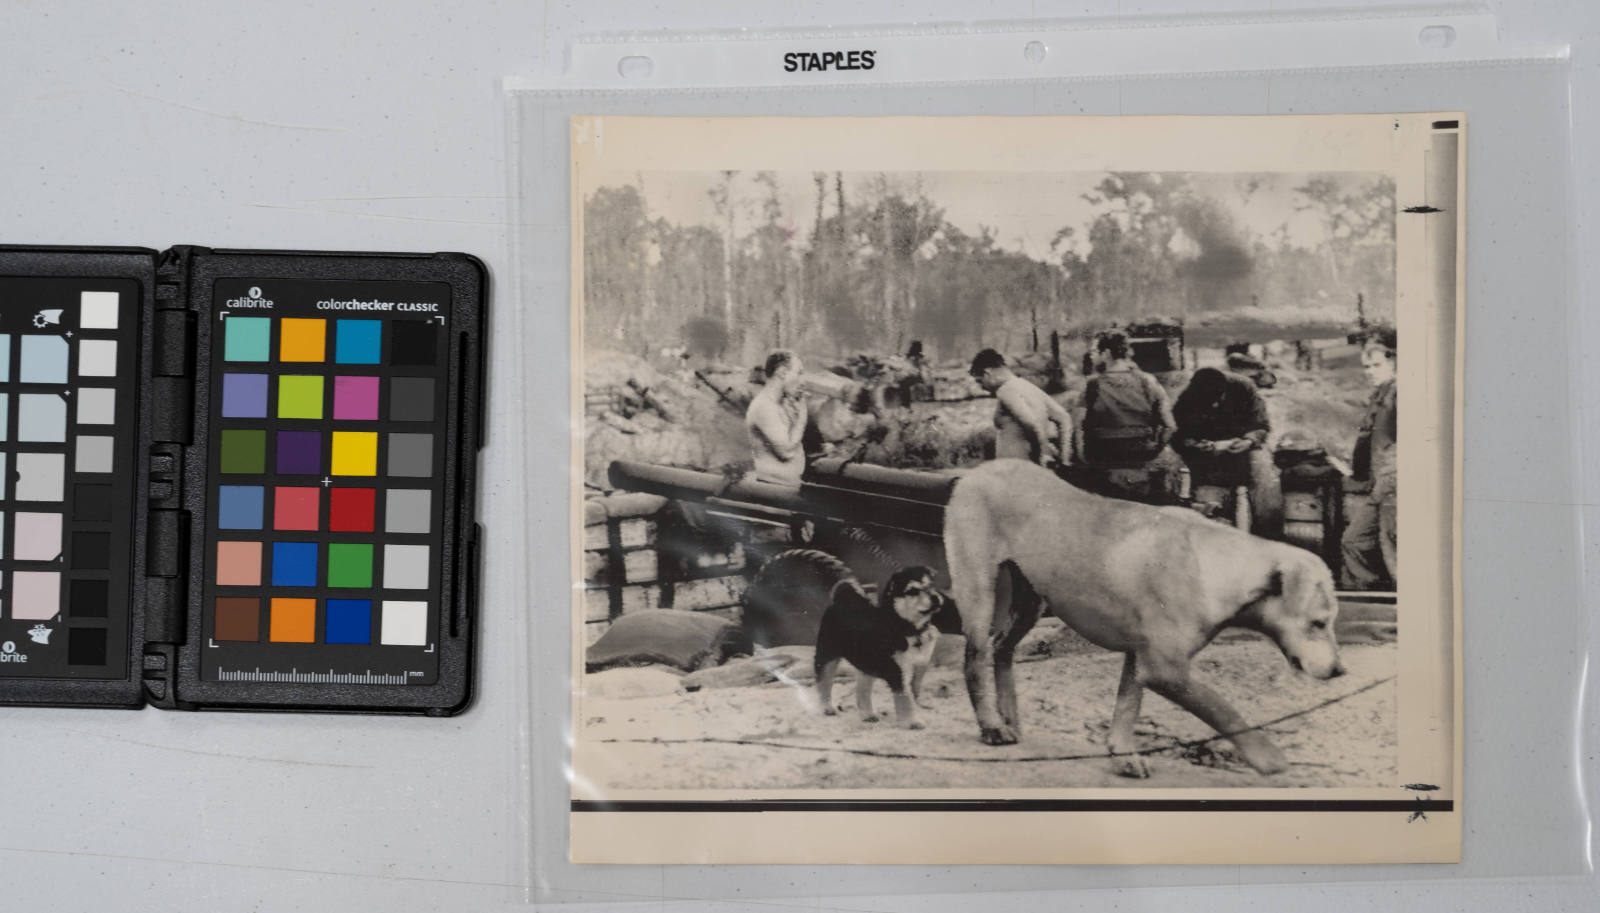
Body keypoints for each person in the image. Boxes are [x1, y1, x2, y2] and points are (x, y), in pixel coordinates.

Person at [1171, 359, 1284, 537]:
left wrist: (1249, 440)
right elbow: (1179, 436)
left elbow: (1262, 425)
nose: (1215, 405)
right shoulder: (1187, 398)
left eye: (1218, 399)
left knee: (1267, 496)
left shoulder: (1245, 387)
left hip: (1248, 447)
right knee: (1210, 509)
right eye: (1209, 402)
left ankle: (1268, 538)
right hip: (1212, 454)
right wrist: (1198, 445)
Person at [1341, 335, 1398, 590]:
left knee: (1396, 548)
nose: (1370, 372)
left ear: (1393, 363)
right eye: (1366, 367)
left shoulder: (1399, 392)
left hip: (1396, 483)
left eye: (1376, 365)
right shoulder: (1379, 396)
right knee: (1353, 541)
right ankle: (1372, 595)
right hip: (1379, 484)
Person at [1078, 332, 1177, 468]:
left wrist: (1082, 457)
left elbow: (1077, 424)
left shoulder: (1093, 384)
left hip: (1102, 453)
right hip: (1142, 452)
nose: (1091, 355)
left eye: (1094, 351)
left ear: (1106, 353)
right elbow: (1170, 426)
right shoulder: (1148, 381)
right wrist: (1156, 449)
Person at [968, 348, 1073, 468]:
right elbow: (1064, 418)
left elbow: (1031, 423)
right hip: (1032, 466)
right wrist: (1065, 458)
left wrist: (1043, 453)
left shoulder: (1005, 390)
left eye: (980, 381)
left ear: (987, 373)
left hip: (1016, 468)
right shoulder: (1029, 387)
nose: (982, 388)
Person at [745, 349, 809, 485]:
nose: (802, 381)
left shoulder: (779, 404)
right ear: (782, 372)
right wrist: (802, 419)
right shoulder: (764, 407)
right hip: (773, 489)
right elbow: (786, 452)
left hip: (787, 486)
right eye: (799, 373)